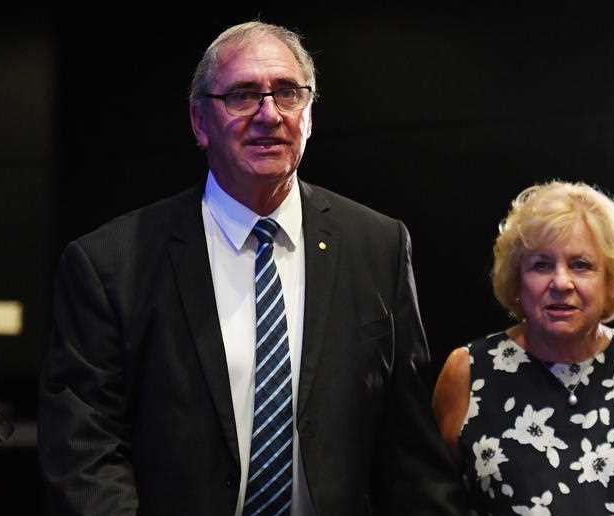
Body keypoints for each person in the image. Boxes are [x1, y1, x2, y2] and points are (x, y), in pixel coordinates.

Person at [38, 21, 467, 516]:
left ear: (309, 113)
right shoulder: (110, 263)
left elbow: (409, 450)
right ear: (200, 122)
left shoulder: (378, 246)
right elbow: (85, 453)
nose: (269, 114)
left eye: (287, 93)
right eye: (243, 96)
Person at [433, 181, 614, 515]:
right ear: (517, 278)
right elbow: (429, 501)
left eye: (581, 265)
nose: (560, 283)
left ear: (610, 279)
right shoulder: (467, 370)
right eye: (541, 265)